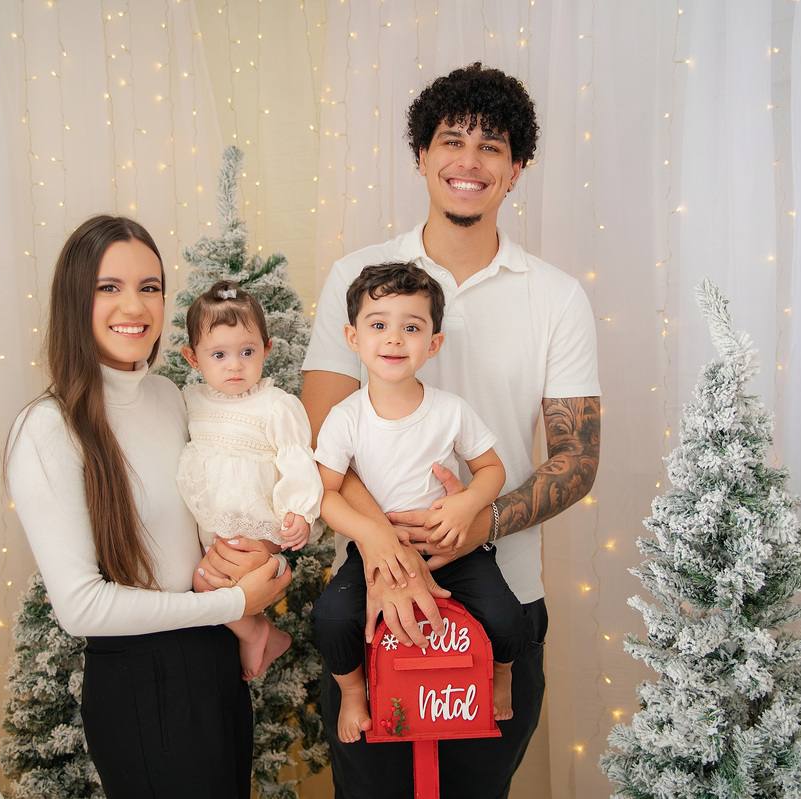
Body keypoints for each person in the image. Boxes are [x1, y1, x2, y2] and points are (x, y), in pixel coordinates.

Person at [302, 63, 601, 798]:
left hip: (502, 596)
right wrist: (389, 549)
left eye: (492, 145)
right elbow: (319, 442)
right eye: (452, 140)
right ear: (422, 155)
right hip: (374, 596)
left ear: (516, 169)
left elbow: (576, 458)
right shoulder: (357, 276)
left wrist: (478, 519)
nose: (470, 160)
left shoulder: (557, 297)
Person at [5, 215, 291, 798]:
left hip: (217, 662)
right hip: (142, 685)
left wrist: (262, 562)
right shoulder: (48, 429)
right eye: (109, 287)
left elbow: (228, 504)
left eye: (150, 287)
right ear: (74, 299)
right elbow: (81, 608)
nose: (134, 306)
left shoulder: (172, 396)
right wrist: (235, 603)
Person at [312, 262, 523, 744]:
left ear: (433, 343)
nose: (393, 338)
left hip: (452, 549)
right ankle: (353, 692)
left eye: (411, 327)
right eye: (378, 324)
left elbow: (492, 470)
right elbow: (325, 493)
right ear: (352, 337)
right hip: (376, 552)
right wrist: (370, 533)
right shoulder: (345, 418)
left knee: (508, 619)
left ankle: (503, 673)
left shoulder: (450, 410)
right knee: (331, 618)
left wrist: (467, 505)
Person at [176, 279, 324, 679]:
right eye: (218, 354)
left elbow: (297, 459)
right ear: (193, 358)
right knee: (205, 581)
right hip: (213, 528)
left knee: (205, 583)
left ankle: (257, 634)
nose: (235, 365)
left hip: (256, 525)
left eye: (247, 351)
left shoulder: (276, 405)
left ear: (266, 349)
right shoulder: (191, 401)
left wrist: (300, 512)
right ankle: (262, 631)